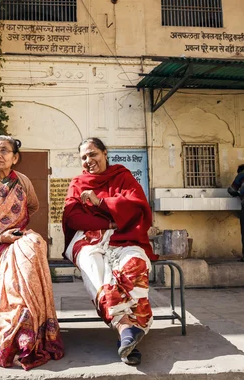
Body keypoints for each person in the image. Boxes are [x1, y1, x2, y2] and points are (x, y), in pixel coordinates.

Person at [0, 135, 64, 370]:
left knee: (34, 248)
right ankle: (12, 336)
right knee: (11, 286)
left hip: (14, 242)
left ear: (15, 158)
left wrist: (16, 226)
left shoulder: (23, 181)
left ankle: (30, 335)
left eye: (4, 150)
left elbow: (33, 205)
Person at [62, 137, 158, 366]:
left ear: (105, 153)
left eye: (93, 154)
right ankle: (125, 328)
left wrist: (99, 203)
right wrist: (110, 221)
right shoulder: (78, 182)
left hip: (125, 237)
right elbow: (72, 217)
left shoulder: (122, 176)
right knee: (96, 270)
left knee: (135, 265)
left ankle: (127, 333)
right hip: (88, 240)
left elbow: (136, 206)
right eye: (83, 157)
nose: (88, 160)